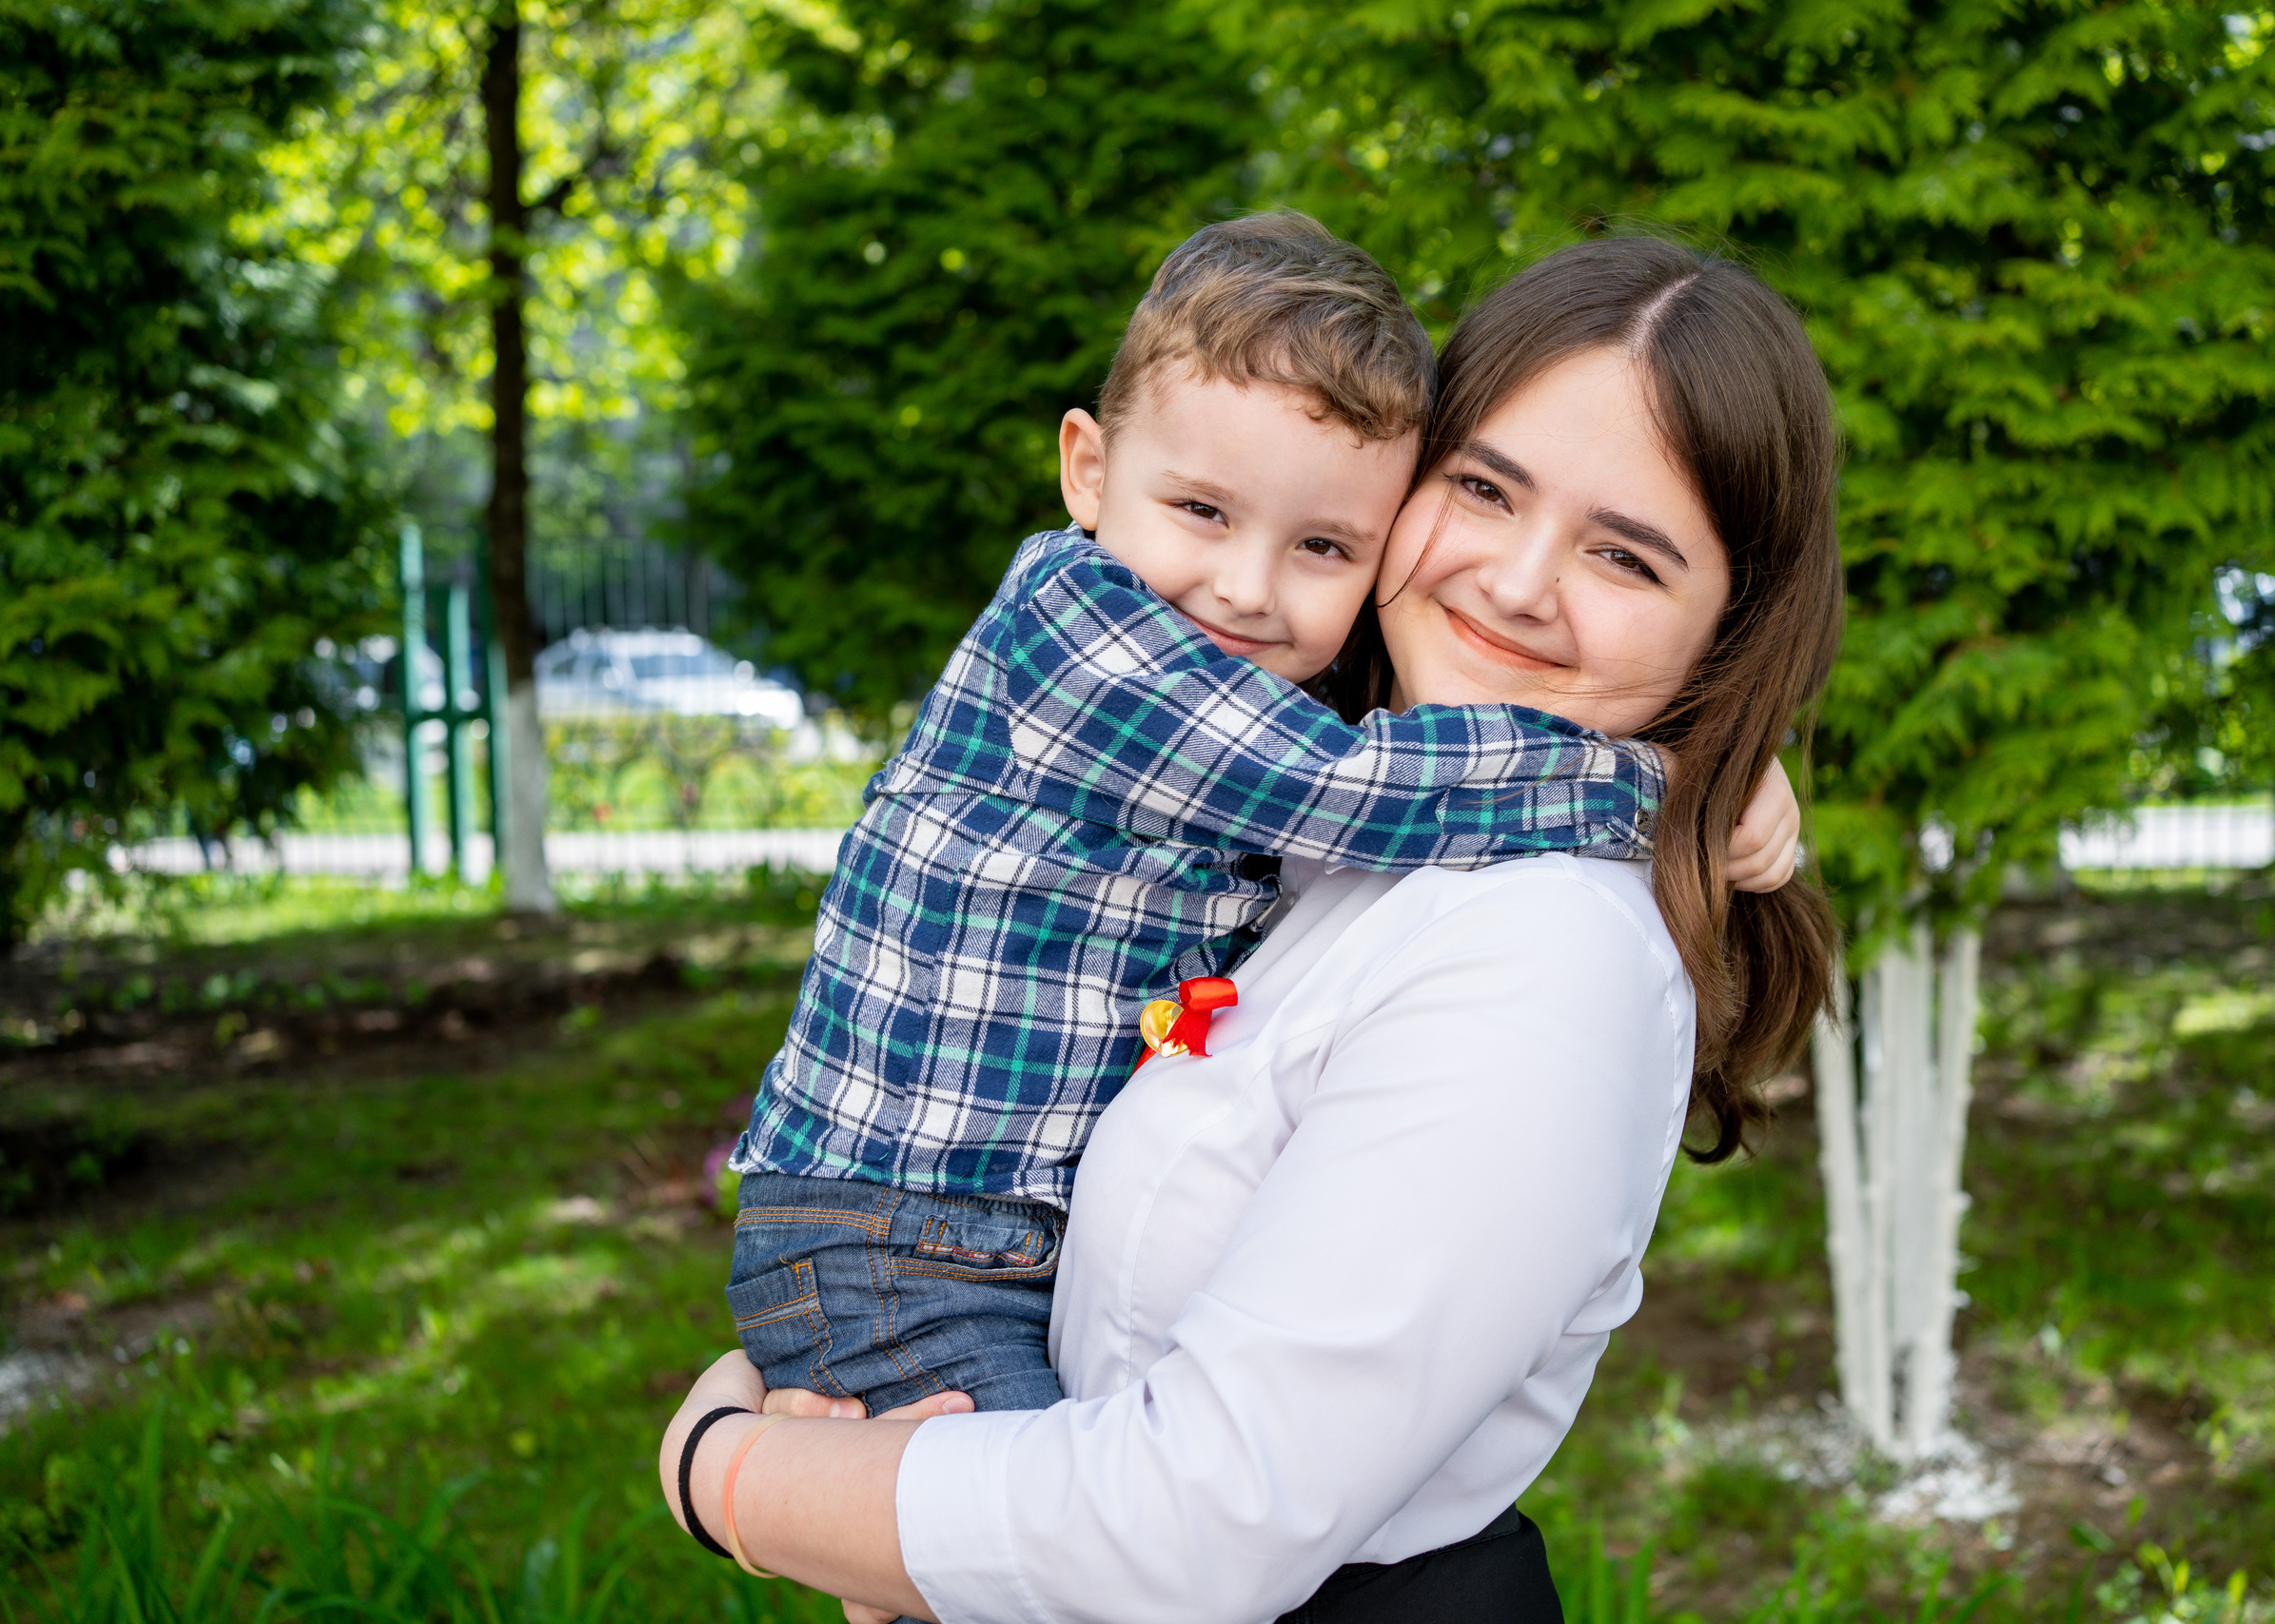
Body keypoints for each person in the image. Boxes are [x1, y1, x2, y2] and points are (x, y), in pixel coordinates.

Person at [668, 232, 1841, 1622]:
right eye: (1481, 489)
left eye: (1626, 560)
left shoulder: (1547, 956)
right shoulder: (1339, 825)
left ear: (1725, 635)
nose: (1520, 584)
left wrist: (727, 1477)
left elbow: (1189, 1533)